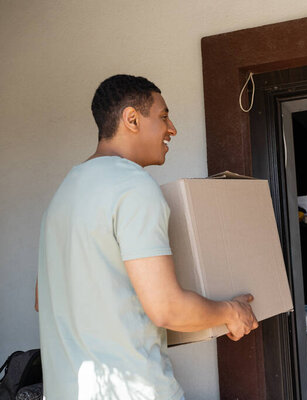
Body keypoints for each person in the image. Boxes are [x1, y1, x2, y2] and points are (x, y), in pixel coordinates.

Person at [36, 74, 258, 400]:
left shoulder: (61, 197)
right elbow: (167, 309)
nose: (172, 129)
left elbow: (44, 299)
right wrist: (232, 312)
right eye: (164, 116)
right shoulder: (132, 185)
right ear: (132, 119)